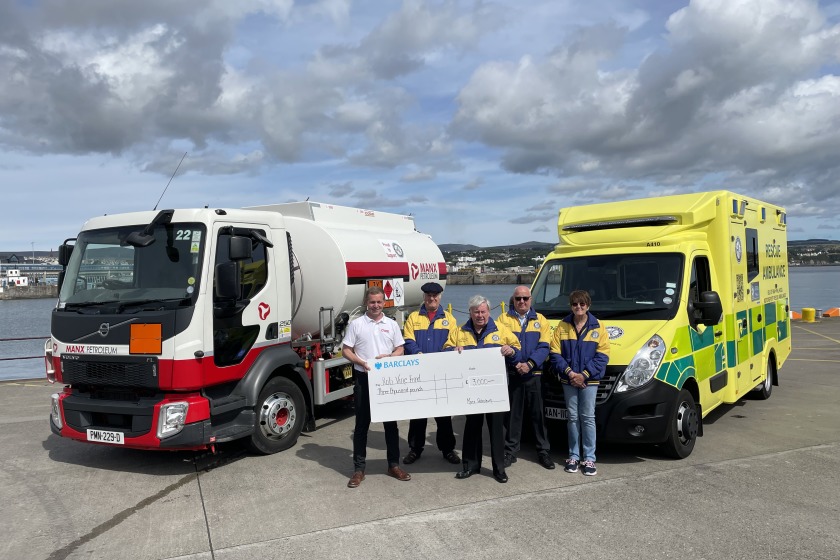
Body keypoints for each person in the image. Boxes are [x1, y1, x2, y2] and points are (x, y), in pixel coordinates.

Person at [444, 295, 521, 483]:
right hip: (470, 390)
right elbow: (445, 350)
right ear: (470, 312)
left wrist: (511, 351)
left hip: (494, 390)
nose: (480, 315)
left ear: (489, 312)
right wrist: (452, 352)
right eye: (476, 311)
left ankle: (499, 469)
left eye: (483, 311)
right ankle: (470, 465)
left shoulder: (502, 330)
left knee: (496, 430)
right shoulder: (459, 331)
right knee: (472, 428)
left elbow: (518, 350)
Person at [341, 286, 412, 488]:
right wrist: (361, 362)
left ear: (384, 303)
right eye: (372, 302)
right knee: (361, 426)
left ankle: (393, 465)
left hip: (387, 381)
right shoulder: (356, 325)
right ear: (366, 302)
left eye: (379, 302)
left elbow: (400, 348)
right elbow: (346, 350)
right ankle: (359, 470)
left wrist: (391, 357)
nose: (376, 305)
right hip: (364, 379)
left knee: (391, 425)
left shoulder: (391, 324)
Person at [549, 290, 610, 476]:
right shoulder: (562, 325)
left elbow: (603, 355)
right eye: (575, 304)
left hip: (589, 380)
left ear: (588, 305)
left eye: (582, 304)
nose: (579, 307)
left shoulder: (598, 326)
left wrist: (583, 375)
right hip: (569, 379)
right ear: (571, 306)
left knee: (588, 417)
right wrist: (570, 374)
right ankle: (573, 456)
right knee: (573, 418)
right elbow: (555, 353)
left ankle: (589, 458)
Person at [402, 281, 461, 465]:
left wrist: (440, 359)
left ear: (440, 297)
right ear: (424, 297)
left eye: (435, 295)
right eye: (428, 295)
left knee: (444, 415)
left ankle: (448, 449)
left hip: (440, 373)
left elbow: (452, 342)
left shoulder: (449, 319)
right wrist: (418, 353)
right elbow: (408, 340)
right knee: (418, 414)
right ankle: (415, 448)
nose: (432, 298)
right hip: (419, 373)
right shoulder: (413, 317)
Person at [496, 286, 554, 470]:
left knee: (538, 416)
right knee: (513, 416)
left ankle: (543, 451)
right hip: (514, 374)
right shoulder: (503, 319)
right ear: (513, 299)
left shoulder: (541, 320)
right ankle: (510, 451)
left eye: (525, 298)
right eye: (518, 298)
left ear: (530, 299)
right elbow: (499, 342)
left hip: (534, 375)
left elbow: (544, 346)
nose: (522, 301)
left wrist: (529, 364)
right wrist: (516, 364)